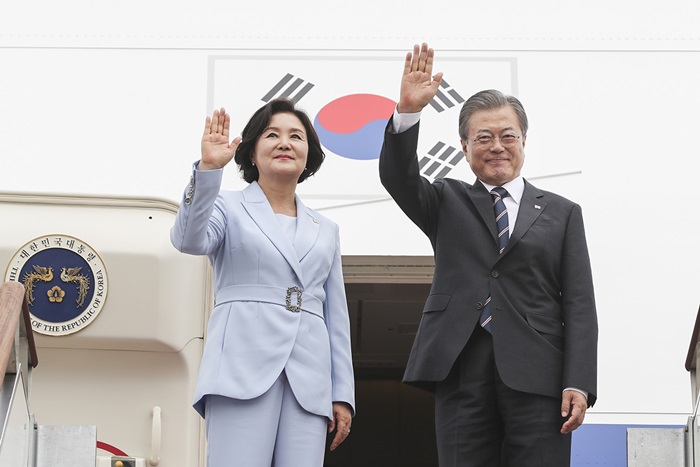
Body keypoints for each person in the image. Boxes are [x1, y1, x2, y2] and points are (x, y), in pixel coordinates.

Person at [379, 43, 598, 466]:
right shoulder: (446, 200)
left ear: (523, 141)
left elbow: (580, 304)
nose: (496, 145)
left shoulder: (562, 213)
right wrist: (407, 113)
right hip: (461, 367)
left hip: (540, 374)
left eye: (507, 135)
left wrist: (579, 381)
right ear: (464, 147)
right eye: (483, 137)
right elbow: (397, 177)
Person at [171, 98, 355, 467]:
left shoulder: (326, 229)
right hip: (241, 368)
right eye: (272, 134)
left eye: (296, 136)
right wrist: (208, 169)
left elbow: (336, 317)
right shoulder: (226, 206)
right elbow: (189, 240)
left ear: (309, 155)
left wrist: (341, 394)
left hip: (308, 379)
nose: (285, 143)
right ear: (252, 151)